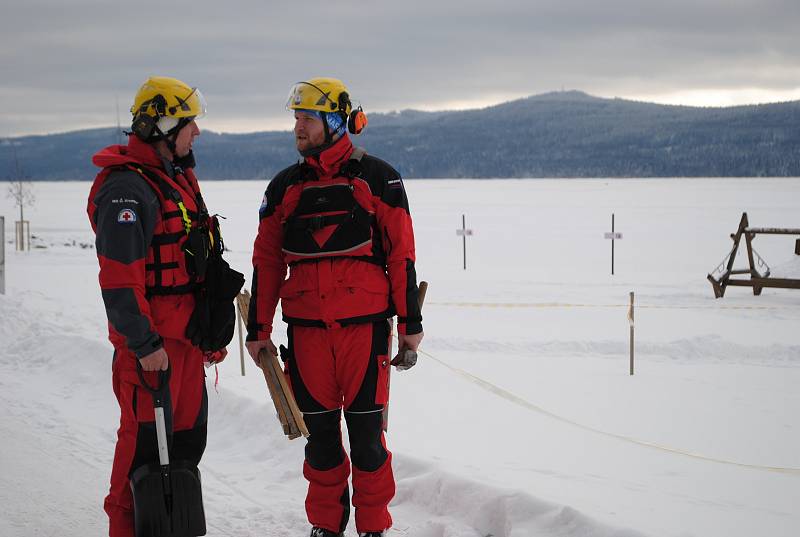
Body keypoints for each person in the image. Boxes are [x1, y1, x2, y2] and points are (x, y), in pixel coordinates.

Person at [246, 77, 424, 537]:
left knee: (368, 442)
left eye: (305, 118)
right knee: (320, 443)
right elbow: (266, 261)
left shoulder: (380, 178)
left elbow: (402, 252)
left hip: (363, 335)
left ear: (332, 120)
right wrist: (258, 328)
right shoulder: (282, 187)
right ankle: (326, 526)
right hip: (305, 336)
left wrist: (410, 324)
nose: (297, 128)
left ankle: (373, 528)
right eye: (296, 119)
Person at [87, 76, 235, 537]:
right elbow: (119, 278)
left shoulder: (176, 182)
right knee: (142, 458)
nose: (197, 134)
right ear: (163, 125)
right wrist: (144, 342)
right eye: (190, 124)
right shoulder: (127, 191)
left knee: (185, 450)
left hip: (185, 350)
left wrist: (208, 333)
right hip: (151, 355)